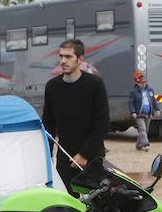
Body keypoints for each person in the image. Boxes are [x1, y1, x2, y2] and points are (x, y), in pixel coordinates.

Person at [41, 39, 110, 192]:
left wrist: (84, 154)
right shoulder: (52, 87)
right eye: (61, 56)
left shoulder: (95, 84)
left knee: (95, 207)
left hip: (93, 158)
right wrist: (46, 159)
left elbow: (103, 123)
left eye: (68, 57)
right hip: (65, 161)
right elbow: (48, 125)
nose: (63, 61)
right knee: (67, 207)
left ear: (80, 59)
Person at [127, 72, 159, 151]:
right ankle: (145, 144)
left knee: (145, 131)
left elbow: (154, 101)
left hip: (148, 114)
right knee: (142, 129)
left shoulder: (150, 90)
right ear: (138, 83)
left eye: (144, 82)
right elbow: (131, 103)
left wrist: (157, 109)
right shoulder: (133, 92)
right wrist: (133, 112)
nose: (143, 84)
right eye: (141, 82)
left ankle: (139, 145)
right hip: (139, 114)